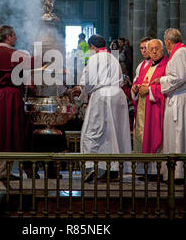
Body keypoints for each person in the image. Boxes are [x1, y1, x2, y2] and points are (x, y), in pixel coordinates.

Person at [72, 34, 131, 182]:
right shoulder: (113, 58)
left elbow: (88, 82)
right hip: (118, 95)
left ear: (92, 46)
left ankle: (90, 167)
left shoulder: (94, 58)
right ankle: (113, 170)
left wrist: (80, 92)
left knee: (92, 131)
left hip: (102, 96)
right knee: (114, 133)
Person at [0, 25, 33, 180]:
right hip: (11, 96)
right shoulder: (14, 54)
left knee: (1, 132)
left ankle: (2, 171)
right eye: (14, 35)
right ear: (8, 37)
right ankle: (3, 172)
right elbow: (31, 73)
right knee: (12, 131)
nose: (16, 38)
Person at [152, 28, 186, 181]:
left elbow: (179, 77)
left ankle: (178, 173)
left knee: (177, 134)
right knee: (181, 134)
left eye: (166, 44)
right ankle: (182, 172)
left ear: (168, 42)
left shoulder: (179, 53)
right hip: (182, 97)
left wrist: (162, 80)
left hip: (179, 99)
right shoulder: (185, 51)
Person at [131, 39, 168, 177]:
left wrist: (150, 90)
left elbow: (167, 86)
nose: (153, 52)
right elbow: (139, 81)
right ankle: (144, 169)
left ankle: (155, 171)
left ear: (162, 49)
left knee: (154, 136)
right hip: (143, 108)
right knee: (141, 135)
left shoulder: (166, 66)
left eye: (156, 49)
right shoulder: (145, 67)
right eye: (150, 49)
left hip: (155, 109)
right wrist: (135, 88)